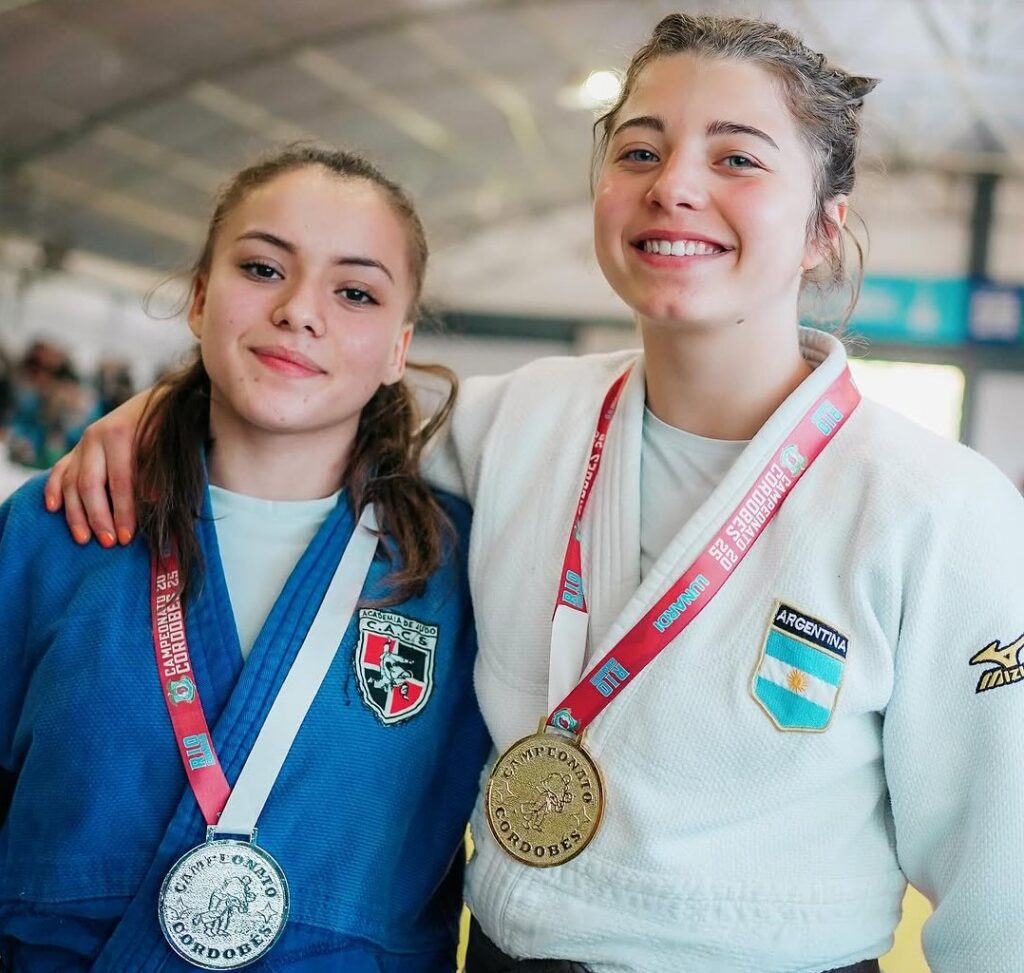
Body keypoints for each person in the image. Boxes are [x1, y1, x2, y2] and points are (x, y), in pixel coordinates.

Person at [43, 14, 1024, 973]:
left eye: (736, 159)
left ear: (821, 229)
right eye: (639, 151)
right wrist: (169, 406)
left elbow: (1004, 891)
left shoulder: (941, 513)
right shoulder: (506, 423)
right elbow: (315, 416)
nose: (673, 186)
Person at [0, 145, 489, 972]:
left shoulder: (460, 567)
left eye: (355, 292)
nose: (299, 311)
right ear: (200, 299)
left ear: (398, 348)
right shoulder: (58, 526)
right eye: (263, 269)